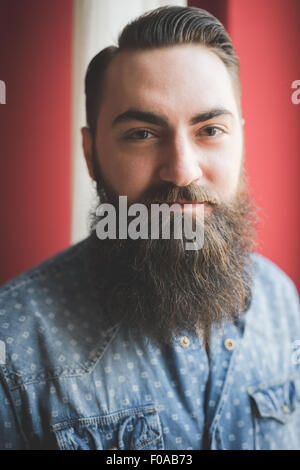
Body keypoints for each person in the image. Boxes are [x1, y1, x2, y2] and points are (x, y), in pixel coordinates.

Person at [0, 6, 299, 451]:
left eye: (210, 130)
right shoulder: (14, 342)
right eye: (142, 133)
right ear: (91, 153)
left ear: (241, 142)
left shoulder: (283, 303)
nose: (181, 171)